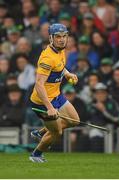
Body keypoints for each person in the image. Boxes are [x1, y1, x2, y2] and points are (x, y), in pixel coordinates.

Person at [29, 23, 80, 162]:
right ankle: (36, 155)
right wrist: (50, 107)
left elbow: (60, 67)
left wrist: (68, 74)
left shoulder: (61, 50)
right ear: (51, 38)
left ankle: (39, 132)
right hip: (42, 101)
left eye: (64, 36)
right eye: (58, 37)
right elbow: (39, 85)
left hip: (56, 95)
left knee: (74, 120)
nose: (62, 39)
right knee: (57, 132)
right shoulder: (47, 58)